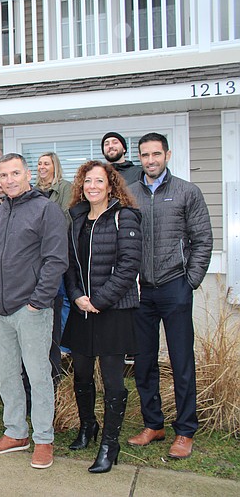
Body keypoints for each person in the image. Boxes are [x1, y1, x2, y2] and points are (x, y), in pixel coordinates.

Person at [0, 153, 68, 469]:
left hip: (31, 309)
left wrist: (38, 301)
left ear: (27, 174)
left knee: (38, 376)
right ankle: (16, 432)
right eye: (2, 176)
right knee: (6, 375)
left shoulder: (45, 210)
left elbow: (56, 260)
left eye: (14, 174)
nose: (8, 180)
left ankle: (44, 439)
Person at [127, 132, 213, 460]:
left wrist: (189, 280)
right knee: (144, 362)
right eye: (145, 155)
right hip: (141, 292)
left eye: (156, 154)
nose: (151, 160)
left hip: (175, 286)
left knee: (181, 361)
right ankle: (153, 424)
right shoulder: (131, 194)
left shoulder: (186, 192)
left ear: (167, 155)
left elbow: (202, 239)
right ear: (140, 158)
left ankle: (185, 430)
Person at [62, 161, 142, 473]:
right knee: (81, 373)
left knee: (112, 380)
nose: (92, 186)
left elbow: (128, 265)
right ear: (81, 186)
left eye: (99, 181)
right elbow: (69, 265)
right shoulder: (77, 219)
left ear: (111, 185)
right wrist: (77, 296)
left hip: (114, 311)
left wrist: (100, 300)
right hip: (83, 308)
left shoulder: (125, 216)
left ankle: (110, 443)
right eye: (87, 181)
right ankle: (88, 427)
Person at [35, 151, 72, 383]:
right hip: (38, 255)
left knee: (63, 298)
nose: (42, 167)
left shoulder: (65, 188)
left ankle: (64, 344)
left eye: (46, 163)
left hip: (60, 250)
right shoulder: (34, 191)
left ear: (55, 166)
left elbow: (66, 218)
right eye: (39, 163)